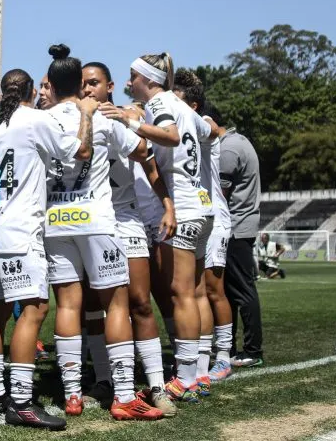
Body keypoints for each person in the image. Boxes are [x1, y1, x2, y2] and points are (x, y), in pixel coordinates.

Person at [43, 45, 163, 421]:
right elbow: (143, 149)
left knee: (68, 305)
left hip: (55, 221)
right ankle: (125, 396)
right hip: (95, 219)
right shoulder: (103, 120)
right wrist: (129, 118)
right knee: (116, 304)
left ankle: (72, 396)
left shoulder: (40, 120)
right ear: (80, 84)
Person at [0, 68, 88, 430]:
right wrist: (86, 114)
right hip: (21, 230)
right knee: (35, 308)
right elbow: (80, 151)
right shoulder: (34, 118)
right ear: (28, 91)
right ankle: (22, 401)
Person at [115, 53, 213, 404]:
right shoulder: (185, 105)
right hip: (203, 208)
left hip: (184, 210)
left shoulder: (159, 102)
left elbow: (170, 137)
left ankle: (185, 379)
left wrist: (133, 123)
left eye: (132, 77)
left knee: (181, 294)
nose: (129, 84)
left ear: (149, 79)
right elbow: (211, 131)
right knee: (197, 293)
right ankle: (199, 372)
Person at [84, 62, 177, 415]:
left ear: (109, 86)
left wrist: (168, 205)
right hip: (91, 222)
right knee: (96, 307)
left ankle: (156, 385)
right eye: (83, 84)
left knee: (139, 301)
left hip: (125, 219)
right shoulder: (75, 120)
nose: (88, 89)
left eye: (94, 83)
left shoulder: (126, 117)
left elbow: (150, 165)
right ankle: (107, 381)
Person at [172, 70, 234, 387]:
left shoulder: (200, 121)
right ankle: (201, 363)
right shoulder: (186, 121)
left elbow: (214, 129)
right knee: (198, 291)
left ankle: (222, 357)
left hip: (213, 216)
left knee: (212, 290)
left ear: (193, 104)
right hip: (201, 213)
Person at [220, 129, 265, 368]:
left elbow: (220, 195)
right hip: (241, 226)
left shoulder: (228, 148)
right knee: (232, 291)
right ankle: (231, 347)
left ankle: (252, 350)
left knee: (242, 290)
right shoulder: (241, 141)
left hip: (236, 227)